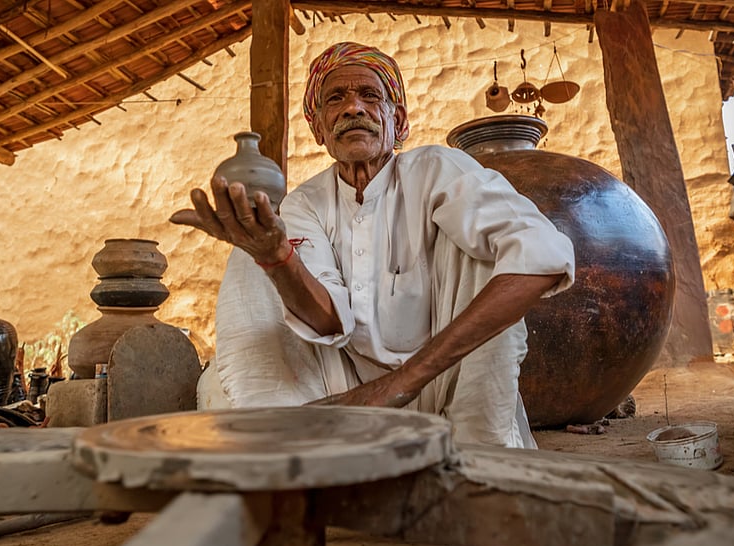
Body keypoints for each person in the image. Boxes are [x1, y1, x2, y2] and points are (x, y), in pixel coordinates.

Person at [170, 42, 575, 448]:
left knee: (488, 246)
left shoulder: (438, 169)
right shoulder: (306, 203)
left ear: (397, 122)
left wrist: (402, 383)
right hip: (341, 393)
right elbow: (327, 320)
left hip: (450, 386)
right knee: (251, 259)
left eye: (369, 95)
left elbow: (542, 254)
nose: (353, 108)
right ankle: (288, 450)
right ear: (318, 128)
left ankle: (477, 457)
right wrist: (277, 259)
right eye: (336, 99)